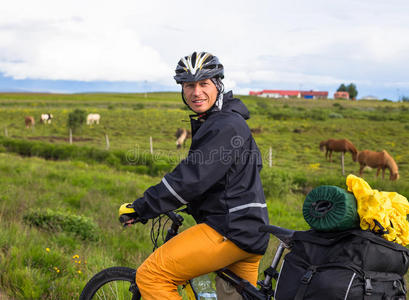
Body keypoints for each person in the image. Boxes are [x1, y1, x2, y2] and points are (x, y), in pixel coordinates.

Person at [121, 51, 270, 299]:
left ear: (218, 85)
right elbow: (225, 180)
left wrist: (141, 208)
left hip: (229, 230)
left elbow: (191, 179)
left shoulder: (225, 125)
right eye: (189, 85)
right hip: (250, 229)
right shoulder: (225, 121)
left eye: (204, 83)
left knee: (151, 275)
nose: (196, 92)